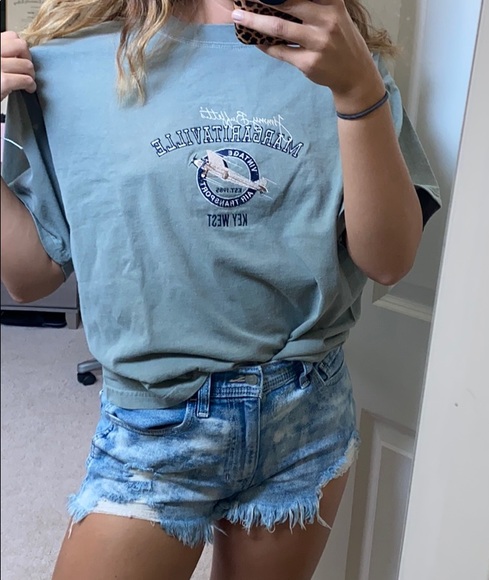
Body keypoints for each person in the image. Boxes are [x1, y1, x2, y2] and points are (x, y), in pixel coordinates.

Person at [0, 0, 440, 578]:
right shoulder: (68, 54)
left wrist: (359, 91)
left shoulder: (336, 47)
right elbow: (30, 277)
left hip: (305, 416)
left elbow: (388, 261)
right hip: (153, 425)